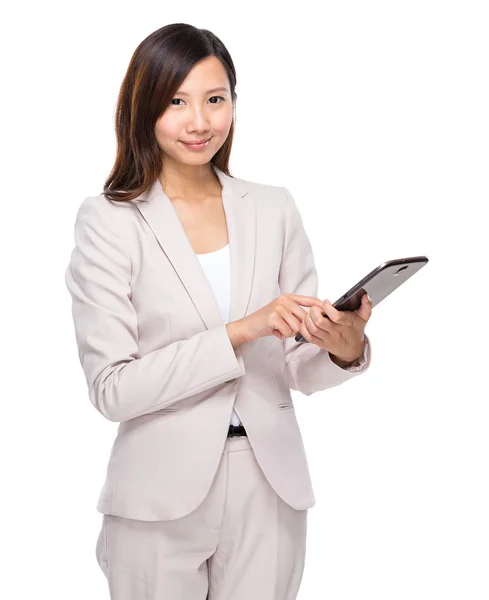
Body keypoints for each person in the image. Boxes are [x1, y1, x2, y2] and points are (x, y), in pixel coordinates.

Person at [64, 22, 372, 600]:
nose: (200, 122)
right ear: (143, 107)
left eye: (215, 99)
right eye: (176, 102)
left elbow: (298, 365)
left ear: (234, 102)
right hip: (157, 496)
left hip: (270, 487)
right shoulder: (109, 221)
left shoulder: (274, 208)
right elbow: (112, 388)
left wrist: (345, 346)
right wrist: (241, 331)